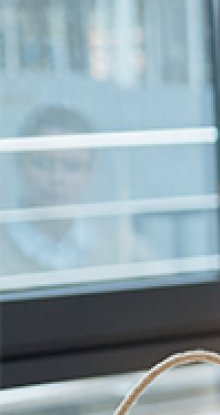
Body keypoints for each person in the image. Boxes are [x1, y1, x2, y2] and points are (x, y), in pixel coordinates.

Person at [2, 104, 135, 284]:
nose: (57, 178)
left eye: (72, 167)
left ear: (90, 172)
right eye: (42, 163)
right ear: (19, 164)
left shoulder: (120, 246)